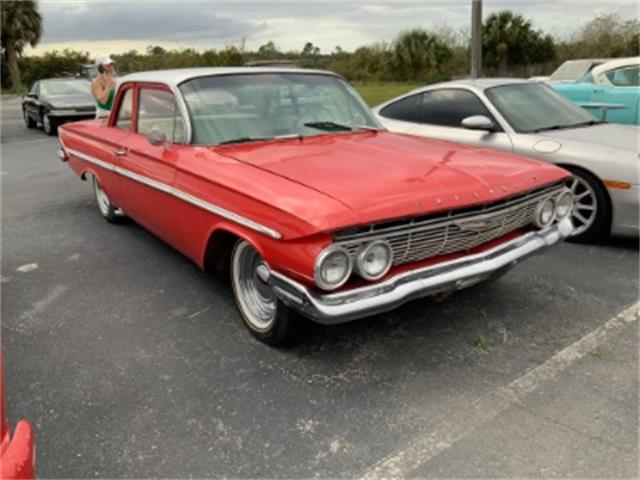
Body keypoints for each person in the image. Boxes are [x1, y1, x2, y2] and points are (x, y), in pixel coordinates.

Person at [91, 55, 117, 119]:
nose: (111, 67)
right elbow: (103, 101)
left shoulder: (114, 80)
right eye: (107, 65)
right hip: (103, 116)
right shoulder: (96, 82)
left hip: (116, 115)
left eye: (111, 65)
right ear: (101, 68)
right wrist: (108, 86)